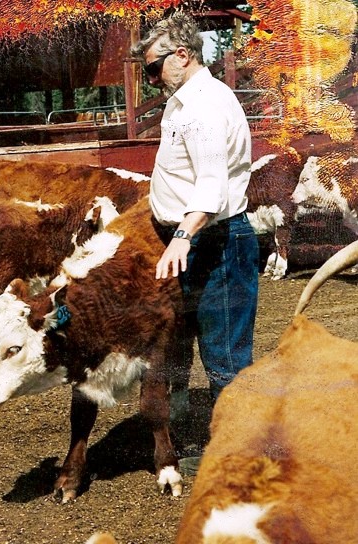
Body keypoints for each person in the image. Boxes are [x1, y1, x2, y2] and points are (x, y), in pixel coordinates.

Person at [131, 12, 259, 472]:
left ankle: (240, 459)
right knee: (185, 345)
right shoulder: (183, 100)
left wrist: (183, 236)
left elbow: (211, 186)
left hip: (215, 241)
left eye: (153, 68)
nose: (151, 79)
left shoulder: (203, 106)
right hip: (192, 240)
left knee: (225, 358)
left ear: (182, 55)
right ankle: (211, 443)